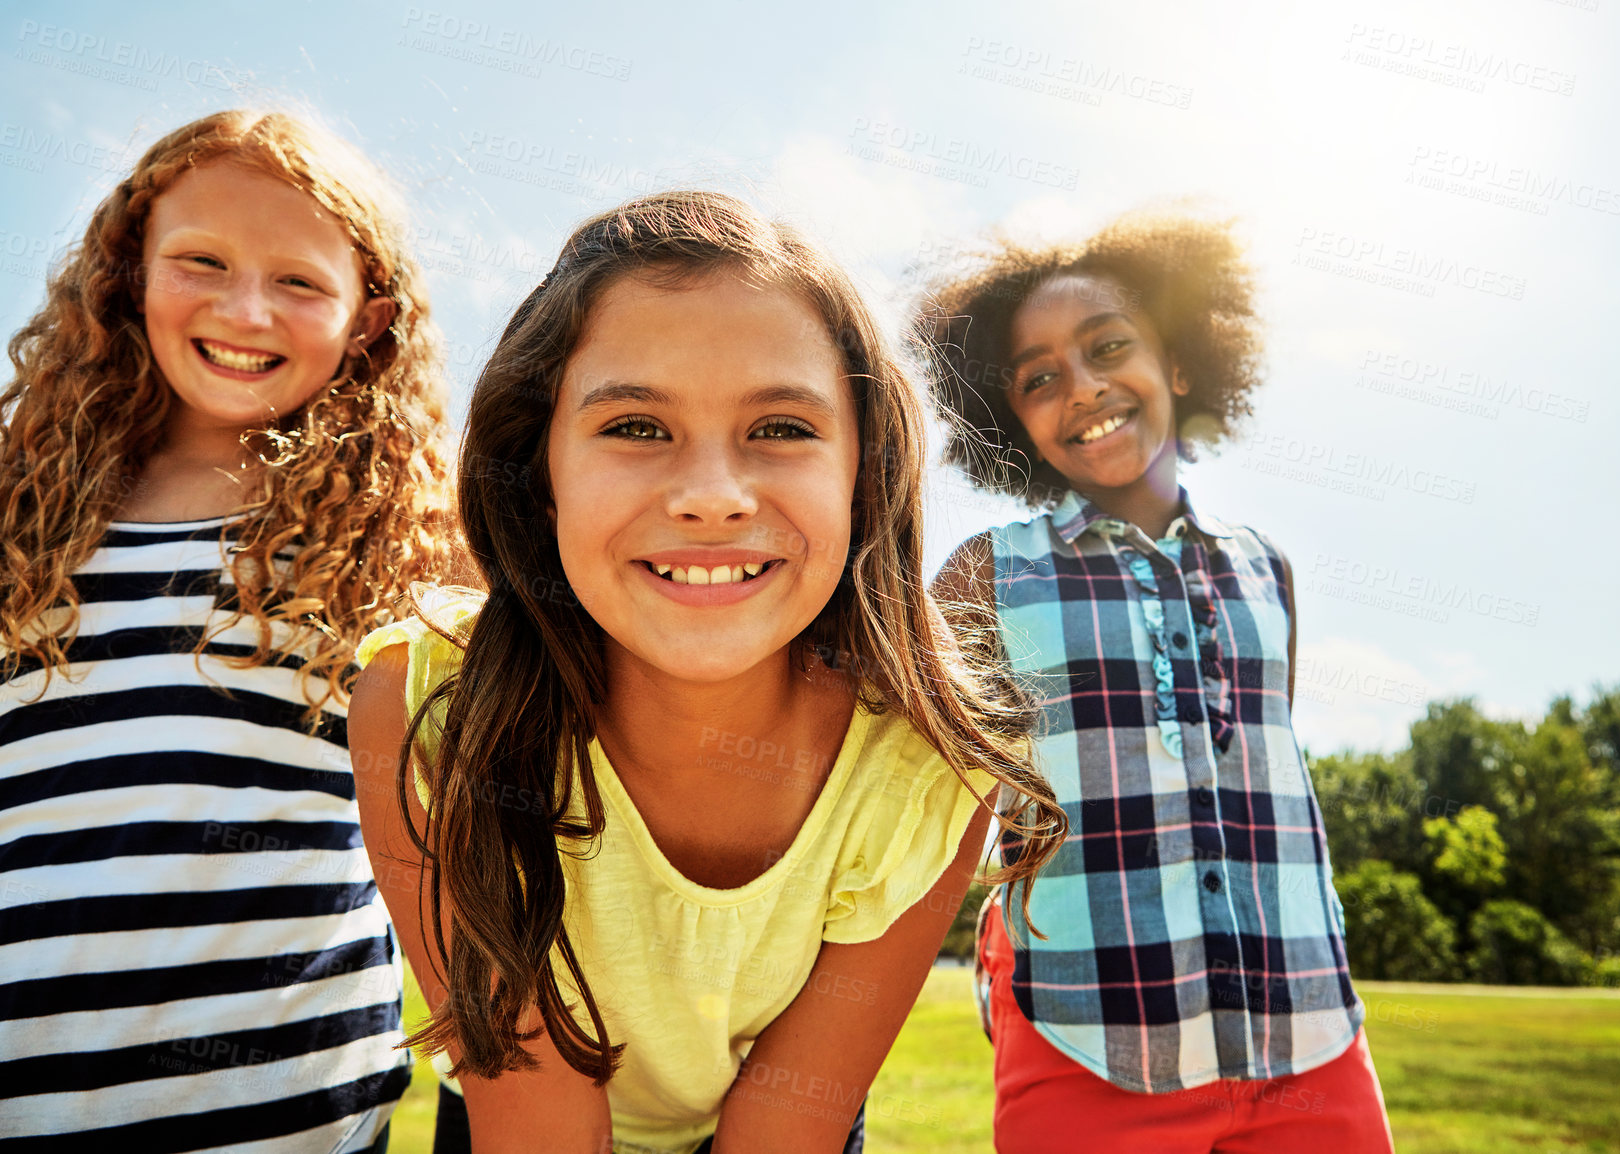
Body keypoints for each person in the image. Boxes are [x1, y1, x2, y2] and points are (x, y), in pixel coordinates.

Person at [346, 190, 1067, 1154]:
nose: (713, 498)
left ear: (866, 471)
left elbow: (788, 1123)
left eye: (780, 428)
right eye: (636, 427)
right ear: (537, 468)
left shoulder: (930, 758)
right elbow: (538, 1126)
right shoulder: (424, 703)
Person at [0, 109, 459, 1150]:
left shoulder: (408, 528)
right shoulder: (18, 512)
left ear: (368, 319)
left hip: (289, 1116)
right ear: (127, 273)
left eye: (300, 281)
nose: (244, 308)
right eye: (200, 260)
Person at [918, 212, 1396, 1153]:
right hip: (1086, 1039)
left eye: (1108, 347)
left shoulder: (1270, 570)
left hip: (1308, 1034)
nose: (1084, 387)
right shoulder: (985, 574)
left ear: (1178, 364)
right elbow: (934, 807)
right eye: (1040, 378)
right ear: (1012, 420)